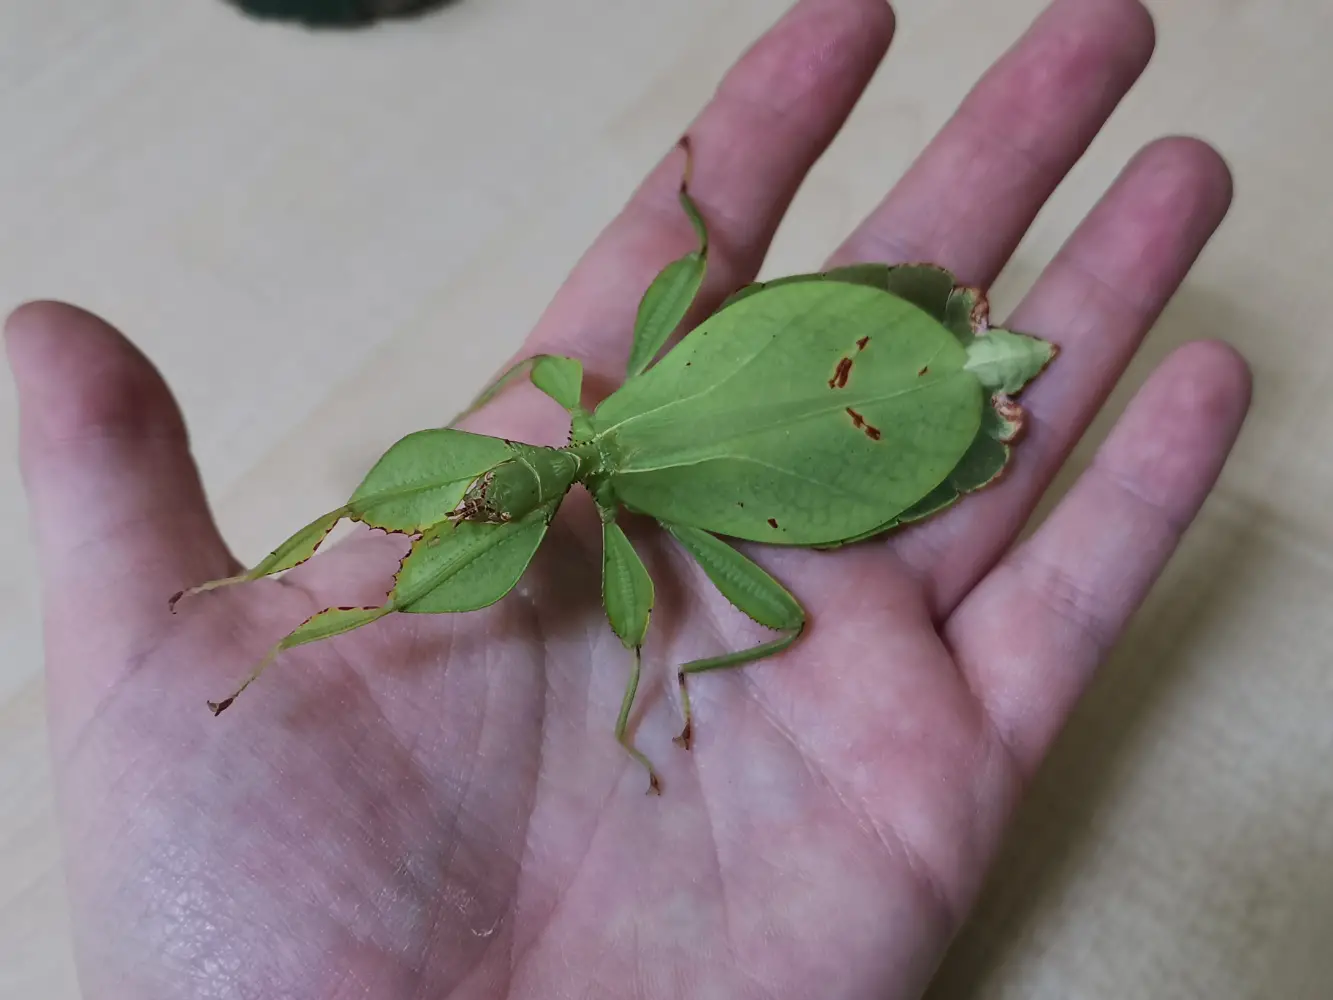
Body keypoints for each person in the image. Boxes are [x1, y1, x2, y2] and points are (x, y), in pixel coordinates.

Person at [5, 0, 1250, 996]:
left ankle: (971, 370)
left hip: (868, 396)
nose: (487, 501)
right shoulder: (576, 408)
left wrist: (661, 705)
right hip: (828, 394)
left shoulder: (587, 469)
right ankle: (969, 377)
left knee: (784, 609)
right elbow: (682, 271)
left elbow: (695, 272)